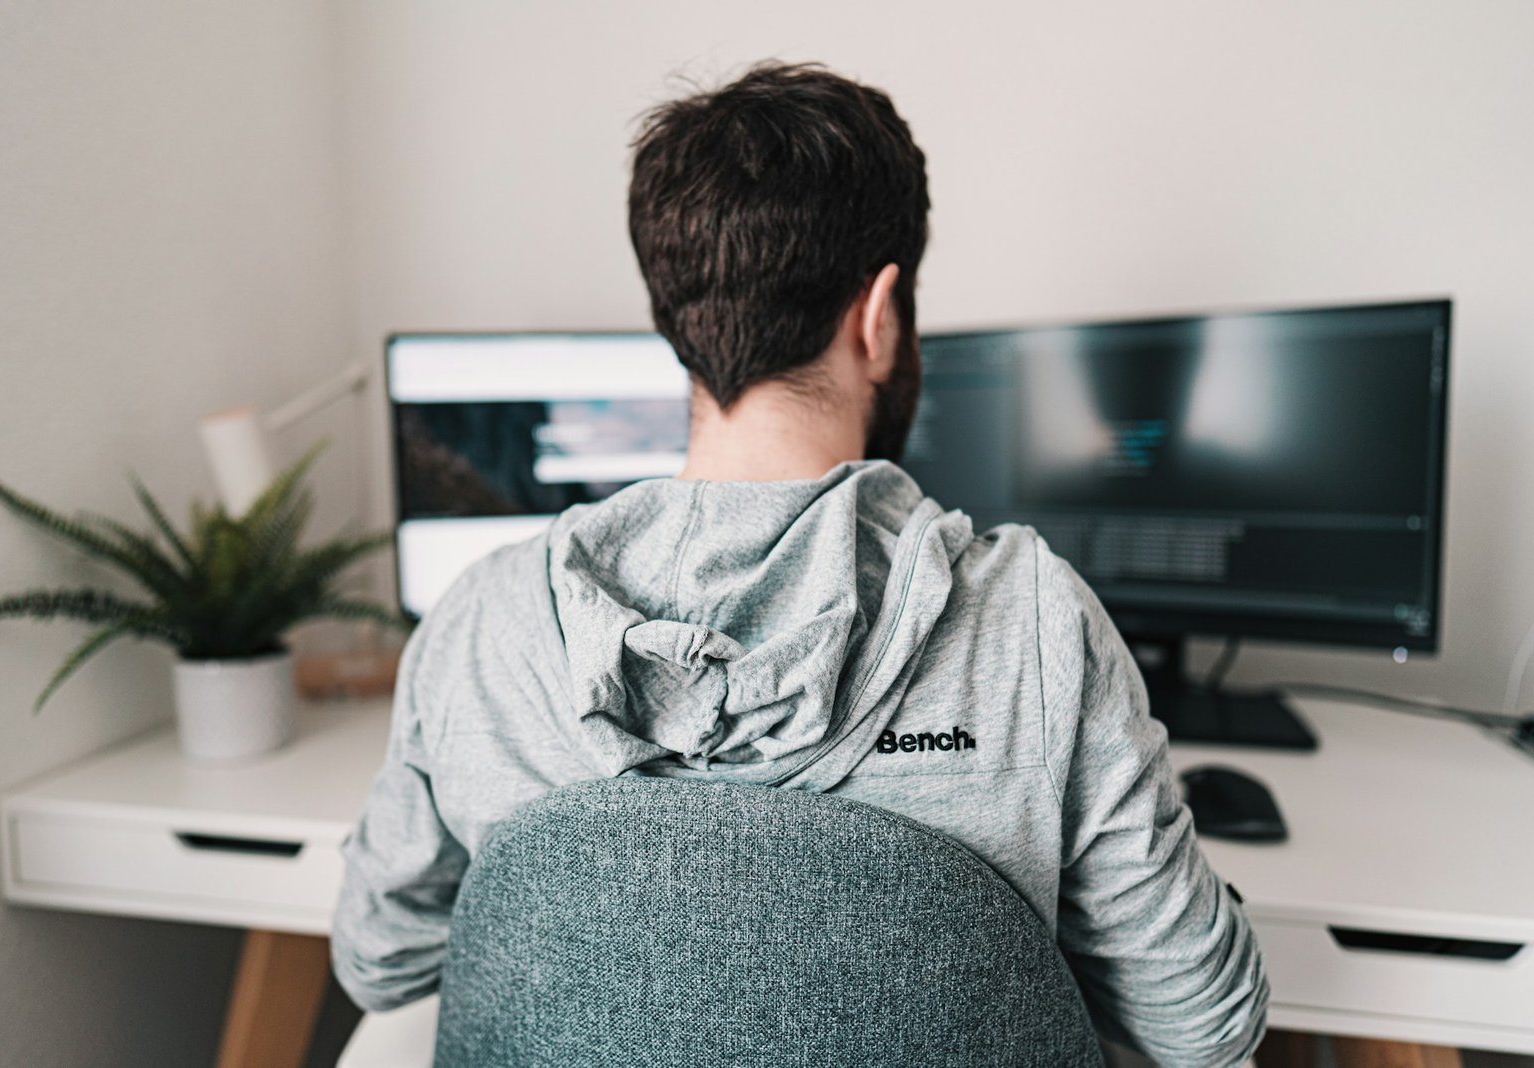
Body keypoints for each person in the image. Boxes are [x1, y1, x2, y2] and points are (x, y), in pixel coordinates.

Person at [330, 60, 1268, 1066]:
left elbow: (380, 961)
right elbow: (1202, 1028)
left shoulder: (482, 623)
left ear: (678, 323)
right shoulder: (1027, 620)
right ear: (877, 317)